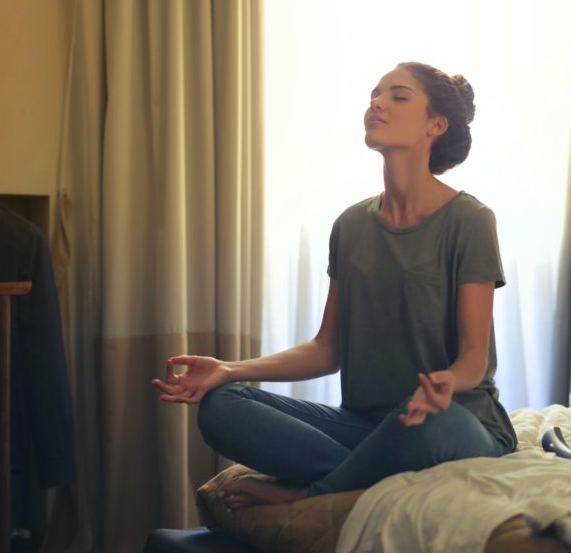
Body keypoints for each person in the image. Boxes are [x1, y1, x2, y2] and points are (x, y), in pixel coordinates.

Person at [152, 62, 516, 509]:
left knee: (427, 425)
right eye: (374, 95)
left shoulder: (470, 221)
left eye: (398, 96)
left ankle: (311, 493)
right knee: (222, 405)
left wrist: (446, 380)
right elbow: (327, 349)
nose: (377, 104)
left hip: (450, 420)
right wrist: (231, 369)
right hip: (364, 426)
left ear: (435, 125)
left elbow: (475, 356)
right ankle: (363, 475)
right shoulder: (350, 225)